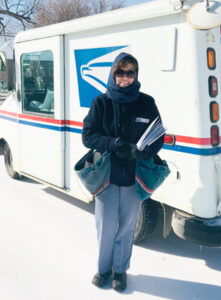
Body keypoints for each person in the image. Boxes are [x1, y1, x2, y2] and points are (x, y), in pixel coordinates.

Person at [82, 52, 164, 292]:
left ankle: (120, 271)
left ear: (135, 75)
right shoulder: (101, 103)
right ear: (113, 74)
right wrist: (112, 143)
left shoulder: (146, 103)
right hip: (107, 176)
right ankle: (103, 269)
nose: (126, 78)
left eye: (131, 73)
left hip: (134, 177)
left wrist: (145, 152)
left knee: (127, 226)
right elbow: (87, 136)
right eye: (121, 72)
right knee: (106, 227)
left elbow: (157, 136)